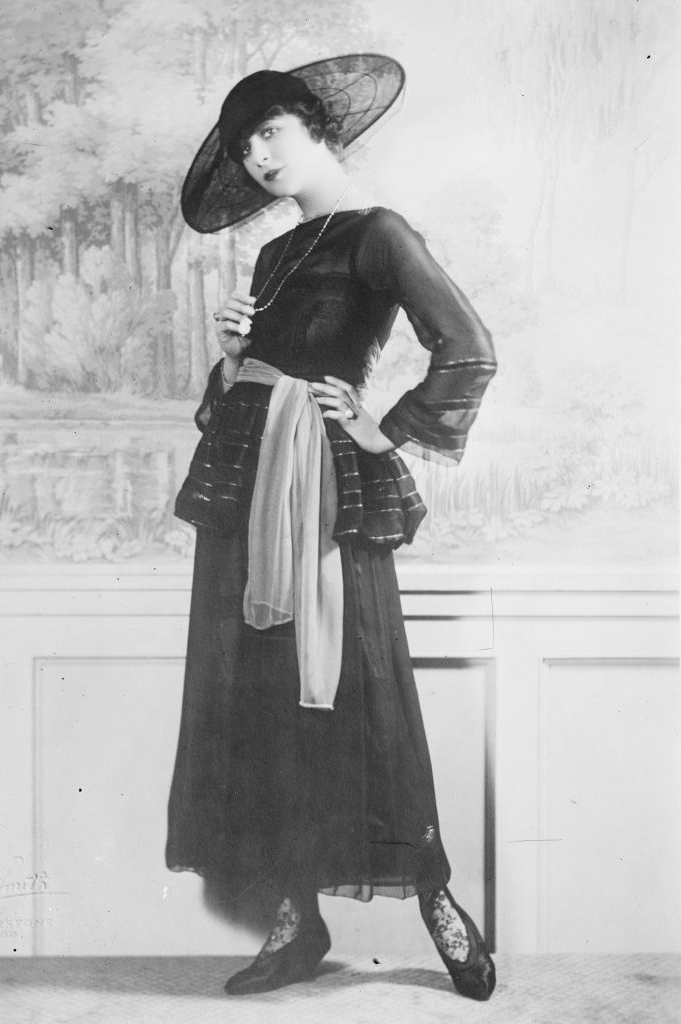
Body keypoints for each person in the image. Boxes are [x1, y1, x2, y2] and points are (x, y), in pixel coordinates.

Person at [166, 54, 498, 1000]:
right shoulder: (274, 256)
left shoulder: (379, 233)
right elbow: (238, 394)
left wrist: (384, 428)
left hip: (321, 488)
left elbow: (469, 348)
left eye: (271, 132)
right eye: (245, 146)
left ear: (317, 128)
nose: (260, 157)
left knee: (366, 691)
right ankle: (295, 921)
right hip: (249, 493)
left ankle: (436, 900)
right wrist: (234, 354)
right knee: (261, 694)